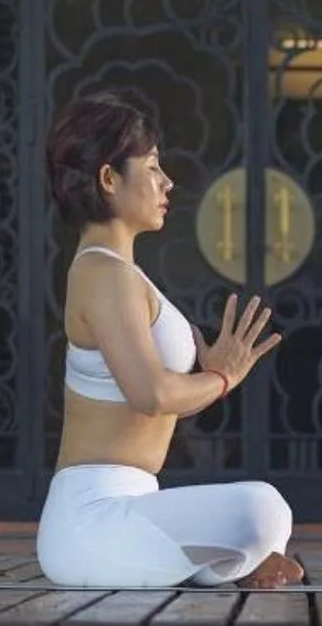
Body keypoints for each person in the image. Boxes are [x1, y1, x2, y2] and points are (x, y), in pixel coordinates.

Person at [34, 93, 302, 591]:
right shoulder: (101, 272)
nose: (167, 181)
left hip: (134, 506)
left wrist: (211, 378)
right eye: (153, 166)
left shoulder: (121, 274)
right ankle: (227, 562)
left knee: (270, 511)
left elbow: (158, 400)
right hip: (91, 522)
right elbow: (153, 395)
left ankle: (220, 561)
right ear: (109, 178)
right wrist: (221, 377)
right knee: (261, 508)